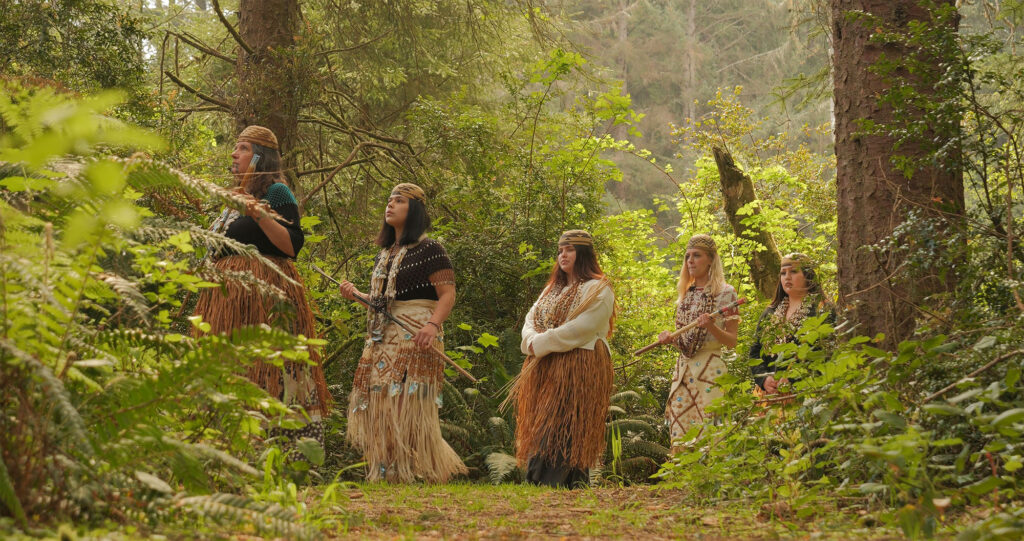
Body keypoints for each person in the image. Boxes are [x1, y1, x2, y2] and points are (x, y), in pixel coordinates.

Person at [194, 125, 330, 445]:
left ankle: (287, 448)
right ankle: (233, 445)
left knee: (271, 364)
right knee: (235, 366)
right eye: (235, 147)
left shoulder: (276, 193)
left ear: (259, 156)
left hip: (266, 295)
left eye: (241, 148)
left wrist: (257, 213)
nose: (233, 153)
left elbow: (292, 245)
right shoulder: (234, 200)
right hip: (228, 298)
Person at [339, 183, 467, 483]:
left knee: (405, 404)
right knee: (378, 402)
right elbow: (382, 301)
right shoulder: (384, 253)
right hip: (381, 336)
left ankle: (414, 468)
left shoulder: (430, 249)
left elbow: (447, 294)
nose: (390, 205)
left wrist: (432, 326)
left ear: (415, 210)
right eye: (389, 200)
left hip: (416, 333)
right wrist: (355, 293)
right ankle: (387, 468)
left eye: (399, 201)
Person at [507, 229, 615, 488]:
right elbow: (530, 320)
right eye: (560, 250)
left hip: (580, 363)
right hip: (546, 364)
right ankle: (557, 481)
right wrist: (531, 341)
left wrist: (541, 343)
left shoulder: (598, 288)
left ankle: (553, 480)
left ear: (584, 253)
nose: (562, 255)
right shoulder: (551, 290)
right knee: (546, 420)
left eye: (569, 250)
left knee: (568, 422)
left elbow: (583, 328)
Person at [658, 234, 739, 450]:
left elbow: (732, 341)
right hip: (683, 373)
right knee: (679, 430)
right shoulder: (686, 293)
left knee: (714, 430)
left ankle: (713, 482)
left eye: (697, 256)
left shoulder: (727, 293)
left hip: (711, 372)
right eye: (687, 257)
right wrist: (670, 340)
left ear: (711, 260)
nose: (690, 261)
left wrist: (711, 326)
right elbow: (685, 343)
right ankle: (680, 481)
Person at [750, 253, 835, 396]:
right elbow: (754, 351)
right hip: (769, 395)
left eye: (793, 271)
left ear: (808, 275)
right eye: (783, 273)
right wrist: (764, 379)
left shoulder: (823, 309)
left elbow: (827, 353)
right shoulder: (770, 312)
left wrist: (793, 378)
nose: (787, 277)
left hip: (808, 392)